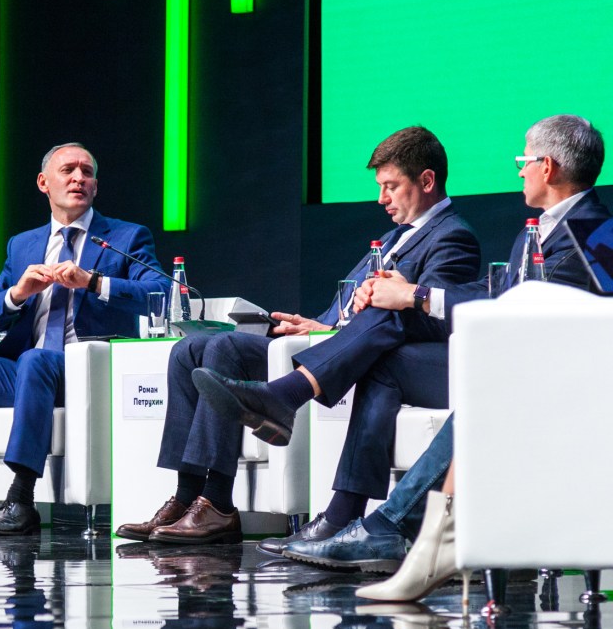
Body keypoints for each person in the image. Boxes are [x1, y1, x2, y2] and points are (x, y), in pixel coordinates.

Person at [283, 114, 608, 596]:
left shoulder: (595, 232)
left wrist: (414, 296)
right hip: (520, 366)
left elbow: (573, 317)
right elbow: (496, 291)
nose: (519, 171)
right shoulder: (543, 228)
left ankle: (395, 528)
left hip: (561, 380)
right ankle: (352, 515)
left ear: (548, 166)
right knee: (387, 362)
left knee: (487, 392)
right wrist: (414, 293)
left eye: (523, 161)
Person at [116, 126, 480, 545]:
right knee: (189, 349)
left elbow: (432, 319)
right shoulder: (395, 237)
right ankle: (187, 496)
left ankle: (216, 503)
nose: (381, 198)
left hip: (366, 358)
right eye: (380, 187)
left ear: (427, 181)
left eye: (391, 186)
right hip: (327, 344)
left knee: (223, 348)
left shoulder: (452, 236)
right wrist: (319, 325)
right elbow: (348, 305)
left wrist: (397, 298)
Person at [0, 143, 165, 536]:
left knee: (34, 360)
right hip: (28, 371)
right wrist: (17, 293)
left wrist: (92, 281)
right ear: (44, 183)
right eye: (68, 170)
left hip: (87, 371)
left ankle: (21, 499)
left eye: (87, 172)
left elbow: (161, 292)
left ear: (95, 186)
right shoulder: (23, 244)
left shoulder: (125, 237)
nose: (79, 178)